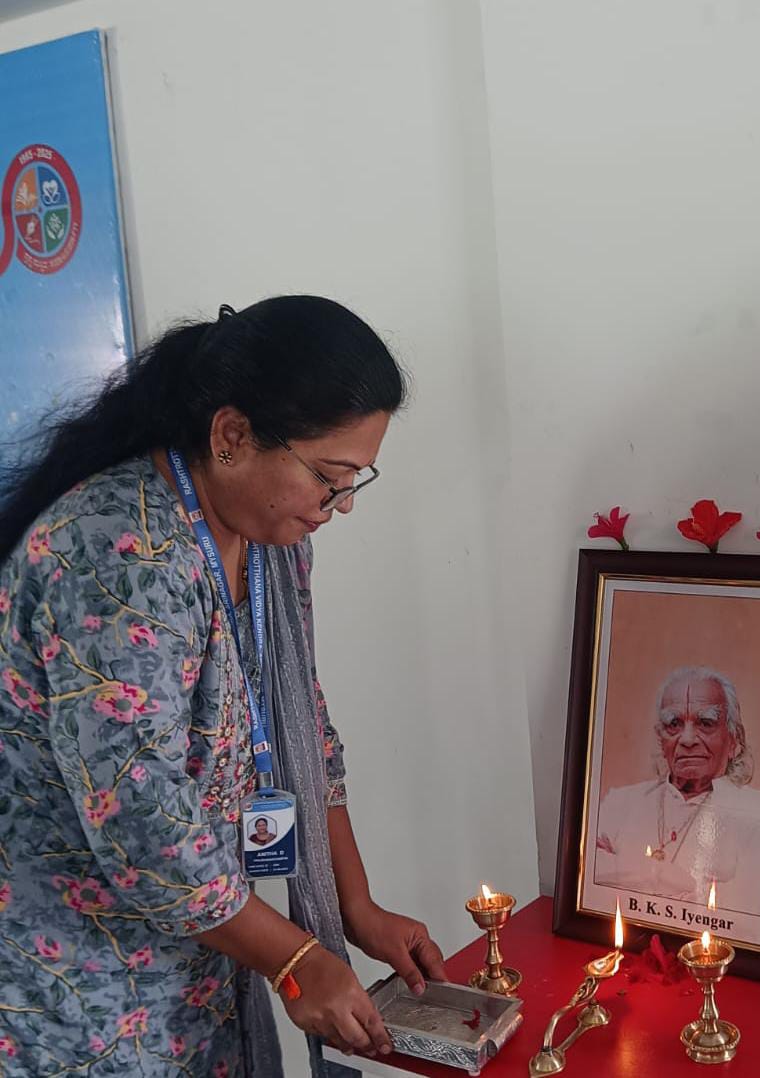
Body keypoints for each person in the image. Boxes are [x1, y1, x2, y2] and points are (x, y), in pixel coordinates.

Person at [0, 296, 446, 1078]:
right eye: (327, 478)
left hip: (207, 953)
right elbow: (143, 819)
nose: (336, 508)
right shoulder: (119, 554)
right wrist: (296, 957)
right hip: (83, 988)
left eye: (353, 484)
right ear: (232, 436)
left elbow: (303, 724)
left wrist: (355, 907)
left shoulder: (272, 541)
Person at [595, 666, 760, 917]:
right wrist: (681, 883)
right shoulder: (620, 802)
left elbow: (743, 914)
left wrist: (625, 871)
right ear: (661, 739)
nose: (688, 739)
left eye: (706, 723)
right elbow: (588, 878)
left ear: (734, 739)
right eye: (673, 723)